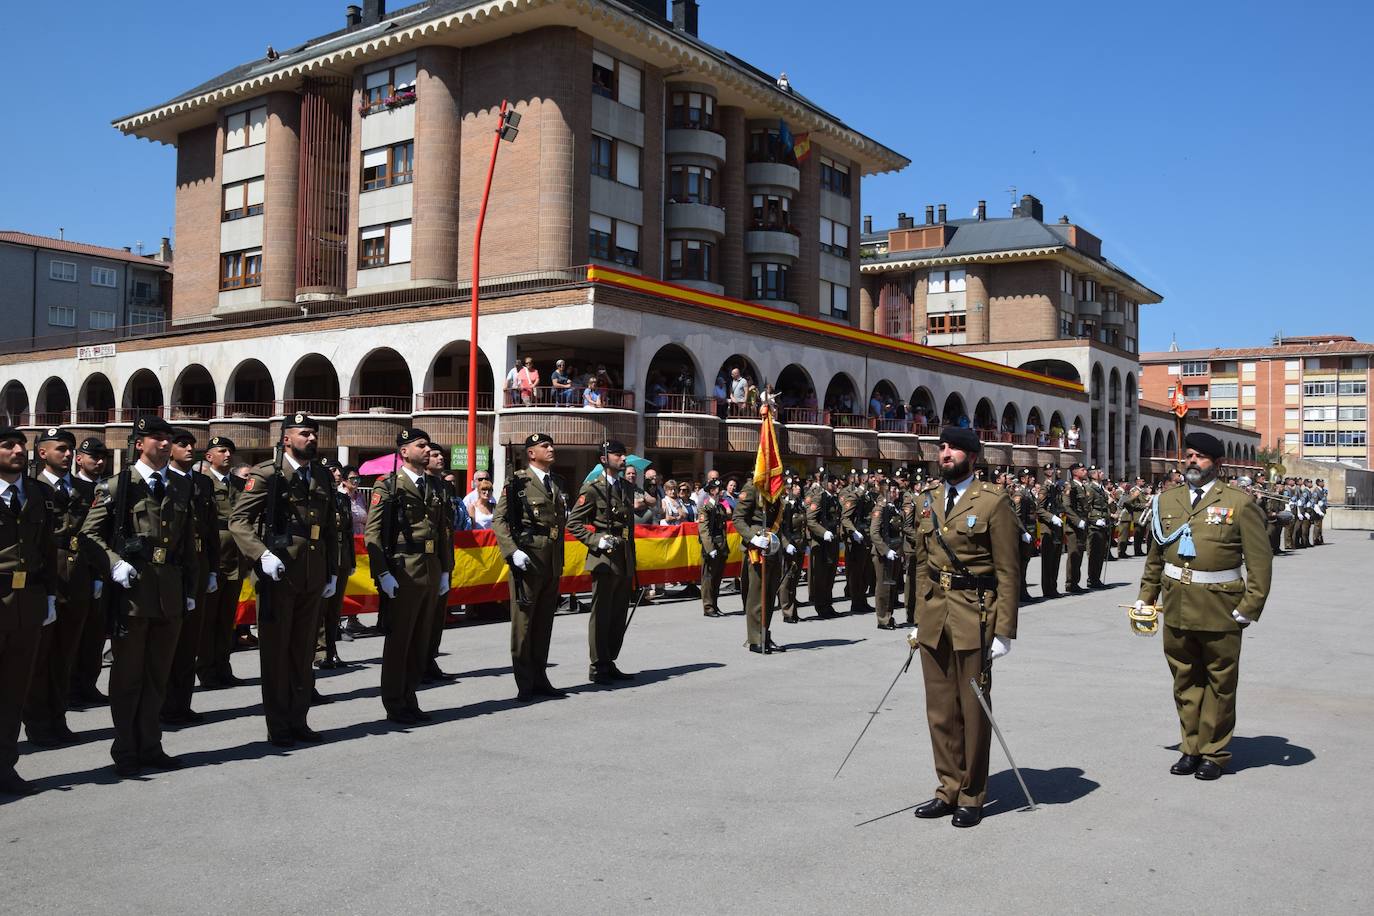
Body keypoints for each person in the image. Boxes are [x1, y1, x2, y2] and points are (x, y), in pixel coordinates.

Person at [1135, 431, 1272, 780]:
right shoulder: (1167, 501)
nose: (1192, 461)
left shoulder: (1239, 503)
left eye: (1201, 456)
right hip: (1177, 605)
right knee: (1184, 681)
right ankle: (1191, 748)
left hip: (1221, 608)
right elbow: (1156, 556)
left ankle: (1215, 752)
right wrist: (1146, 597)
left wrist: (1249, 606)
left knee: (1220, 683)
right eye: (1190, 455)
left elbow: (1260, 561)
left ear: (1218, 463)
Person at [910, 427, 1020, 828]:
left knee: (972, 710)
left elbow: (1009, 571)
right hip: (935, 617)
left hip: (975, 615)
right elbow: (922, 564)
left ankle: (972, 794)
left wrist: (1004, 630)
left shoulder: (993, 501)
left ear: (973, 456)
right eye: (941, 447)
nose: (945, 453)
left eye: (954, 448)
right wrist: (919, 617)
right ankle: (948, 787)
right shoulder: (927, 500)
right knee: (940, 711)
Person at [83, 416, 196, 778]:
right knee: (129, 677)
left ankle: (151, 744)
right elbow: (89, 536)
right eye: (157, 438)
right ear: (139, 444)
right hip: (133, 596)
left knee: (157, 675)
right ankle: (126, 749)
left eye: (168, 439)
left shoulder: (179, 487)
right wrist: (113, 565)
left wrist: (189, 590)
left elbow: (188, 544)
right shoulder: (118, 486)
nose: (165, 444)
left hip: (170, 595)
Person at [229, 413, 337, 747]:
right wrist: (261, 554)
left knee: (303, 651)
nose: (312, 438)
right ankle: (278, 725)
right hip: (280, 572)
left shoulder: (320, 474)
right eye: (304, 433)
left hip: (312, 572)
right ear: (286, 438)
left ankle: (298, 719)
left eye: (314, 433)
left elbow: (330, 528)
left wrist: (332, 569)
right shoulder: (267, 473)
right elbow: (239, 521)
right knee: (276, 653)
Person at [364, 428, 450, 725]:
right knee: (400, 640)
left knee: (420, 639)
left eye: (428, 445)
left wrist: (445, 569)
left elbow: (443, 531)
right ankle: (395, 702)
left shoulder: (435, 486)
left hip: (430, 566)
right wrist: (382, 572)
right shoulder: (388, 485)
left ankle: (410, 697)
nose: (428, 450)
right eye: (421, 446)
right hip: (403, 568)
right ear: (404, 452)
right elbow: (372, 533)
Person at [23, 428, 96, 748]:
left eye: (71, 450)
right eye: (61, 449)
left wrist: (96, 574)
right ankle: (38, 723)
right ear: (42, 453)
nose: (68, 455)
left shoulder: (84, 487)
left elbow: (94, 534)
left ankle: (58, 718)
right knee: (40, 658)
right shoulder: (31, 489)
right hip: (47, 577)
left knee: (65, 656)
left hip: (78, 577)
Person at [1, 427, 57, 796]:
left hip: (28, 603)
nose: (18, 450)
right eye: (8, 445)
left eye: (22, 444)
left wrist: (50, 595)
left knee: (13, 692)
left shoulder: (39, 493)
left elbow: (48, 549)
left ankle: (5, 767)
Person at [492, 433, 569, 701]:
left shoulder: (555, 483)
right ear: (531, 453)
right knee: (523, 624)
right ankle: (525, 682)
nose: (551, 448)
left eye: (551, 444)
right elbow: (499, 519)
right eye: (544, 446)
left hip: (551, 561)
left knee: (544, 623)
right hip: (528, 559)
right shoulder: (517, 481)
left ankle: (540, 678)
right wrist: (512, 552)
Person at [161, 427, 220, 726]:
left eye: (190, 445)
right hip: (172, 565)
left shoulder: (203, 484)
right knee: (167, 642)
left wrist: (212, 568)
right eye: (181, 444)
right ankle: (162, 705)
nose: (187, 448)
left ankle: (181, 703)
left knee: (189, 642)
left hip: (197, 564)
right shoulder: (162, 481)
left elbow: (210, 529)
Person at [568, 440, 638, 684]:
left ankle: (610, 660)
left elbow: (629, 525)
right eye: (617, 454)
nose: (622, 458)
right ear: (603, 459)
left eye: (623, 454)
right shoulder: (593, 488)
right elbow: (573, 523)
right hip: (604, 558)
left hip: (624, 555)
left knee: (619, 613)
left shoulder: (626, 488)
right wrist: (596, 540)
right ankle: (598, 665)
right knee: (602, 614)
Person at [196, 436, 246, 688]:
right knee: (209, 619)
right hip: (214, 557)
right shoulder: (202, 484)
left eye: (230, 451)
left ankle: (223, 666)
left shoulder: (240, 483)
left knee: (227, 620)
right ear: (209, 456)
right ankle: (206, 669)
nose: (228, 455)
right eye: (222, 450)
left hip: (236, 557)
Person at [69, 437, 111, 707]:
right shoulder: (73, 487)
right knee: (75, 635)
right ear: (79, 458)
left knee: (96, 635)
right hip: (79, 568)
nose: (98, 461)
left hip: (104, 567)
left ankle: (88, 684)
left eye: (102, 457)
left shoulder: (107, 487)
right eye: (92, 456)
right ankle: (70, 688)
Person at [733, 477, 785, 654]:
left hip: (772, 543)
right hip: (756, 545)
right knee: (757, 593)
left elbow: (777, 520)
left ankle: (764, 634)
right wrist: (752, 537)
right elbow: (738, 518)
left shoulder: (775, 488)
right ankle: (754, 639)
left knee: (770, 593)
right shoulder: (752, 487)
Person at [421, 445, 458, 684]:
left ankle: (430, 658)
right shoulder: (421, 485)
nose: (440, 457)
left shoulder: (444, 486)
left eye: (440, 454)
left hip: (443, 557)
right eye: (435, 455)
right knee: (423, 618)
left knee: (437, 617)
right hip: (424, 557)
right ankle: (419, 662)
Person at [316, 461, 357, 671]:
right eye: (332, 470)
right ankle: (320, 651)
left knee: (334, 610)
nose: (338, 473)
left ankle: (331, 650)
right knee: (321, 609)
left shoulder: (342, 499)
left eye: (338, 470)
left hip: (341, 558)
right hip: (323, 558)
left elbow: (348, 533)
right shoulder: (318, 497)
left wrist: (352, 560)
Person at [806, 473, 842, 619]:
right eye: (833, 482)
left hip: (832, 540)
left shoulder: (833, 499)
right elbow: (811, 520)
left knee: (830, 575)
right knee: (821, 576)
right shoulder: (819, 498)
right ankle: (821, 606)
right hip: (821, 543)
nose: (836, 484)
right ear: (827, 483)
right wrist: (823, 532)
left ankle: (828, 604)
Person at [870, 479, 904, 630]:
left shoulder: (894, 507)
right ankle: (882, 618)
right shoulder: (881, 507)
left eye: (897, 489)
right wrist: (885, 550)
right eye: (892, 490)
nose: (896, 492)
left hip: (894, 551)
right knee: (883, 587)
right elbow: (874, 533)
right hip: (882, 553)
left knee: (892, 586)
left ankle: (889, 615)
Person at [841, 474, 874, 613]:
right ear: (864, 481)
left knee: (866, 572)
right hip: (857, 540)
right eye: (871, 478)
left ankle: (862, 600)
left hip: (867, 538)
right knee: (857, 573)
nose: (874, 480)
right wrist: (854, 532)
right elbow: (845, 517)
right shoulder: (854, 496)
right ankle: (856, 602)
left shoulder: (868, 496)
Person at [777, 479, 809, 624]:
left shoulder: (799, 505)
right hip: (789, 546)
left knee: (794, 579)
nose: (797, 489)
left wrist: (806, 542)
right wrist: (786, 544)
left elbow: (803, 525)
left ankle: (793, 610)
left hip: (799, 545)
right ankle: (787, 612)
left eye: (798, 486)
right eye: (794, 486)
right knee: (786, 579)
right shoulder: (783, 506)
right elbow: (781, 528)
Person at [697, 478, 729, 618]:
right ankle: (708, 607)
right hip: (711, 549)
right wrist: (710, 549)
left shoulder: (720, 507)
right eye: (718, 489)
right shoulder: (705, 508)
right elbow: (704, 530)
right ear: (711, 491)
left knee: (717, 578)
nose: (721, 491)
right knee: (708, 578)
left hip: (721, 546)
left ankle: (715, 605)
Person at [1063, 462, 1089, 593]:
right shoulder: (1070, 486)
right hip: (1073, 526)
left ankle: (1075, 582)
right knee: (1073, 554)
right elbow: (1067, 506)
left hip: (1082, 525)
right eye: (1082, 470)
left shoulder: (1082, 486)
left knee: (1079, 554)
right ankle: (1070, 583)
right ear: (1075, 472)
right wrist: (1078, 521)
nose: (1085, 472)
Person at [1086, 467, 1111, 587]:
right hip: (1094, 526)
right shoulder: (1090, 488)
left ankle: (1097, 578)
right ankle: (1092, 579)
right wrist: (1094, 520)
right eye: (1099, 472)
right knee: (1094, 553)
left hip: (1103, 523)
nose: (1102, 473)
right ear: (1093, 475)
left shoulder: (1101, 488)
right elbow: (1087, 507)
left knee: (1101, 553)